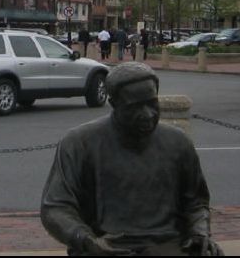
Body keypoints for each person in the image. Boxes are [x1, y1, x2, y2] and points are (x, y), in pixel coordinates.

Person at [39, 71, 216, 256]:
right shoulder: (79, 143)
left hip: (167, 246)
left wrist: (200, 232)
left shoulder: (178, 142)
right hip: (105, 245)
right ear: (114, 104)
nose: (148, 114)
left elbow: (196, 203)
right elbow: (55, 208)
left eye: (152, 103)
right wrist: (86, 240)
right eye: (135, 107)